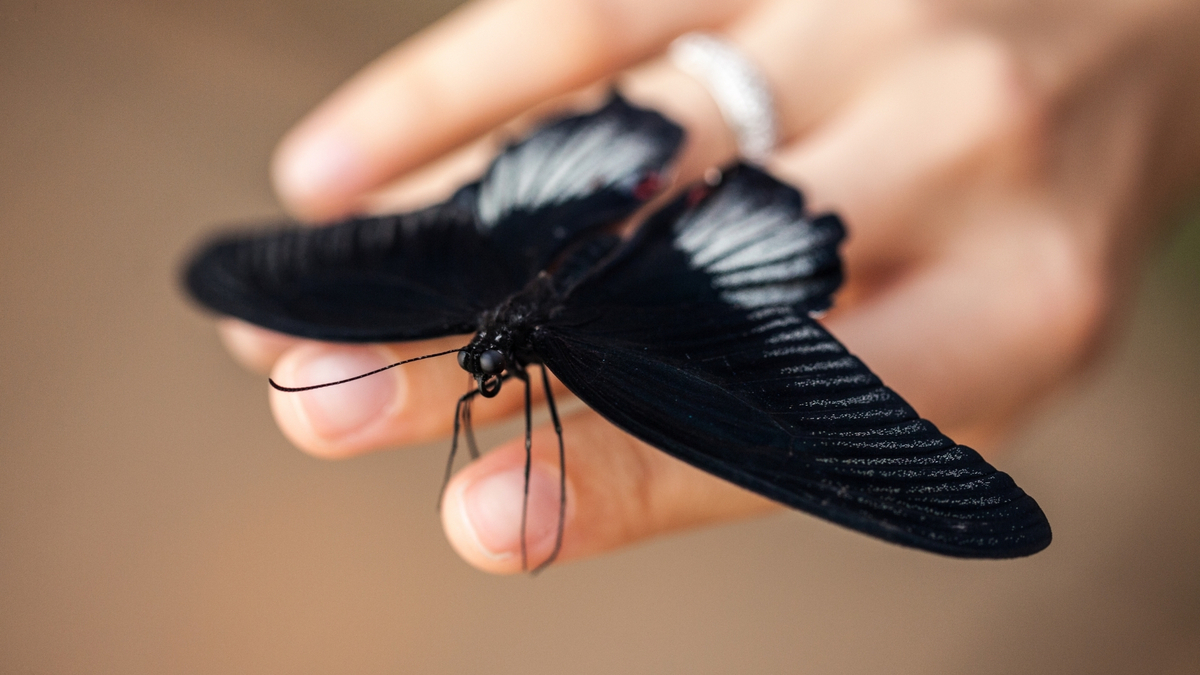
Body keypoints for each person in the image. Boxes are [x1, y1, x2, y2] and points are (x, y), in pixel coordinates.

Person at [213, 0, 1200, 573]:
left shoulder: (484, 316)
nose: (486, 367)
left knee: (748, 422)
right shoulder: (536, 336)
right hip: (661, 252)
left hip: (595, 218)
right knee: (731, 411)